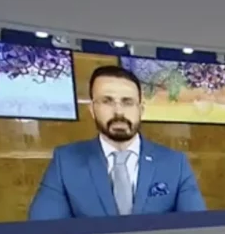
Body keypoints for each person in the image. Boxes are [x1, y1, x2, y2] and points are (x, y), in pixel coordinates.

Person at [28, 65, 206, 220]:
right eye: (107, 101)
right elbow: (43, 233)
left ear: (141, 109)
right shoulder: (65, 162)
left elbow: (197, 230)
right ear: (92, 109)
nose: (118, 112)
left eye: (127, 102)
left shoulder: (175, 164)